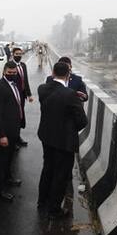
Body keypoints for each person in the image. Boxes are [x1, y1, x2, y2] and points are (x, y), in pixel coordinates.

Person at [37, 62, 88, 217]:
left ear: (53, 72)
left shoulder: (42, 89)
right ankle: (54, 209)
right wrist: (70, 128)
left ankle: (42, 202)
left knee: (47, 170)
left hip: (46, 137)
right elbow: (82, 121)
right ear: (68, 74)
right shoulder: (70, 94)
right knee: (61, 175)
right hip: (64, 142)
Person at [0, 61, 25, 202]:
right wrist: (2, 135)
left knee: (9, 157)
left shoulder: (14, 85)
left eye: (14, 73)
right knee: (1, 161)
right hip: (5, 132)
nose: (12, 75)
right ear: (4, 72)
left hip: (13, 129)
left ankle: (8, 178)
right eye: (10, 73)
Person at [12, 47, 33, 147]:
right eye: (17, 54)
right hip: (14, 96)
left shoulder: (23, 65)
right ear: (13, 54)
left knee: (20, 116)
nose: (19, 56)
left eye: (20, 54)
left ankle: (18, 137)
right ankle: (14, 139)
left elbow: (26, 80)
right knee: (14, 118)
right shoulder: (10, 66)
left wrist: (29, 94)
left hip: (22, 95)